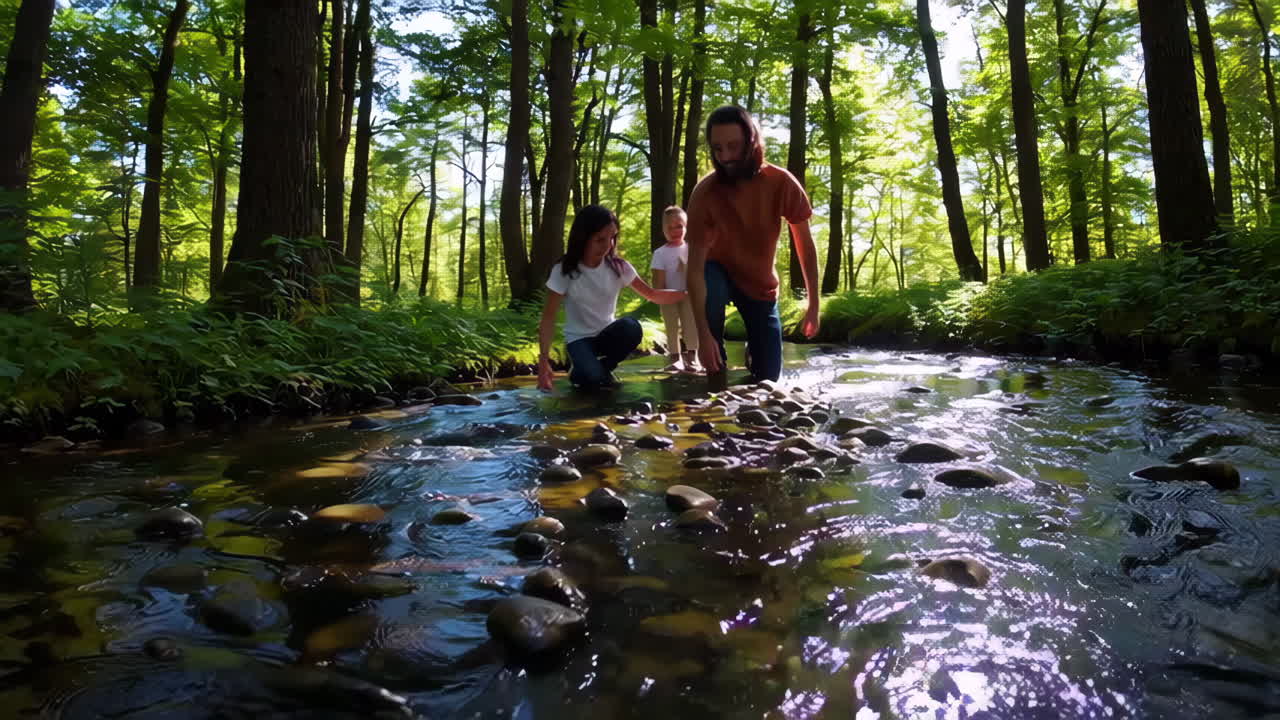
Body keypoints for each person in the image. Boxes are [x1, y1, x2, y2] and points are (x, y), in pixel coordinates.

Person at [686, 105, 821, 383]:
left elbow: (805, 246)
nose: (725, 157)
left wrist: (814, 306)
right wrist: (703, 335)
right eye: (717, 148)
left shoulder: (781, 182)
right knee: (712, 283)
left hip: (759, 284)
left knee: (768, 379)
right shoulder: (705, 192)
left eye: (733, 146)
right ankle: (717, 369)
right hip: (716, 273)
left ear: (751, 141)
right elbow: (695, 268)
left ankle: (754, 346)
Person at [537, 204, 687, 392]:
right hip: (579, 341)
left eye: (612, 237)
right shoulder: (564, 271)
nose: (608, 245)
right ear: (583, 237)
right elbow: (548, 318)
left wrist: (687, 294)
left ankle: (597, 369)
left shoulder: (619, 267)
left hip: (608, 335)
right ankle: (584, 370)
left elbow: (652, 294)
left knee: (632, 327)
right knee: (595, 380)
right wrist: (543, 362)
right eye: (600, 239)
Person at [650, 206, 700, 372]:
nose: (674, 231)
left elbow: (697, 273)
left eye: (678, 226)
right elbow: (658, 278)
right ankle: (675, 356)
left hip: (688, 294)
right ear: (663, 229)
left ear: (686, 226)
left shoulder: (691, 249)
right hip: (668, 295)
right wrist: (660, 295)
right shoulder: (660, 253)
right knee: (671, 325)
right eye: (669, 227)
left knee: (690, 323)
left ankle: (693, 356)